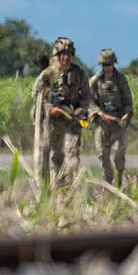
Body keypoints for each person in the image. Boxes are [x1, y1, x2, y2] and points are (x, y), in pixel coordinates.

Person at [31, 37, 92, 189]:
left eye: (69, 55)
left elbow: (86, 95)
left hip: (72, 121)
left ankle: (70, 190)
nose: (66, 58)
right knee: (54, 156)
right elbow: (35, 94)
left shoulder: (78, 73)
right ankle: (54, 189)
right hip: (53, 123)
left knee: (72, 157)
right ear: (57, 55)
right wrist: (50, 109)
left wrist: (81, 109)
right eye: (63, 54)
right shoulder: (48, 73)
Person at [89, 48, 134, 188]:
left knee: (119, 154)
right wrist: (100, 114)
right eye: (104, 65)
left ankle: (119, 179)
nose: (107, 68)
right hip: (102, 124)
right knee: (103, 154)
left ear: (113, 64)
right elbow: (89, 101)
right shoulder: (95, 81)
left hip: (118, 123)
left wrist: (126, 115)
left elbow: (128, 101)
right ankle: (108, 184)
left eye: (109, 65)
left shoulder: (121, 79)